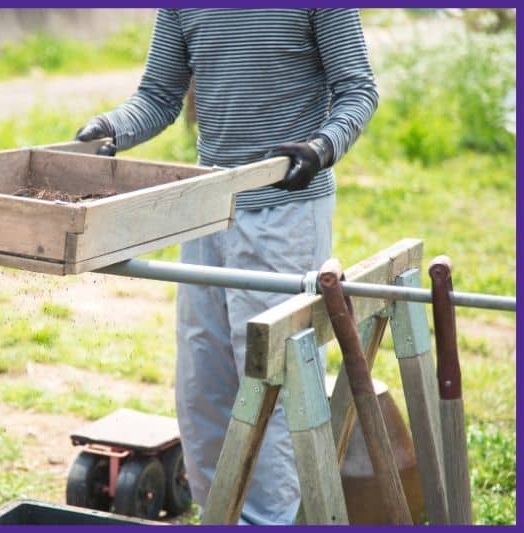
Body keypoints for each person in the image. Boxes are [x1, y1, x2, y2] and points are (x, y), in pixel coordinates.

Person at [76, 8, 378, 524]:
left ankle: (273, 522)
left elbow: (358, 90)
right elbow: (158, 96)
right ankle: (221, 516)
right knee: (203, 385)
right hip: (209, 208)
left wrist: (321, 147)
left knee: (272, 386)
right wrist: (112, 127)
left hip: (286, 213)